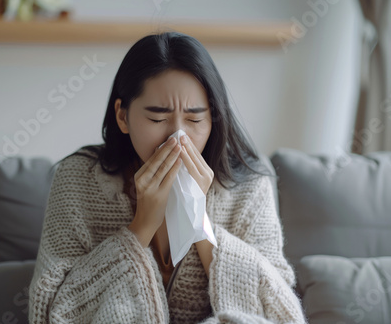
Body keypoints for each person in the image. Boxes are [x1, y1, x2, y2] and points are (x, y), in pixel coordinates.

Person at [28, 31, 307, 324]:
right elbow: (48, 308)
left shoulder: (248, 182)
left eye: (195, 119)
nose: (177, 138)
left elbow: (281, 313)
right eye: (157, 119)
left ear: (214, 118)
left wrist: (199, 222)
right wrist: (141, 227)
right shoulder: (79, 180)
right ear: (122, 116)